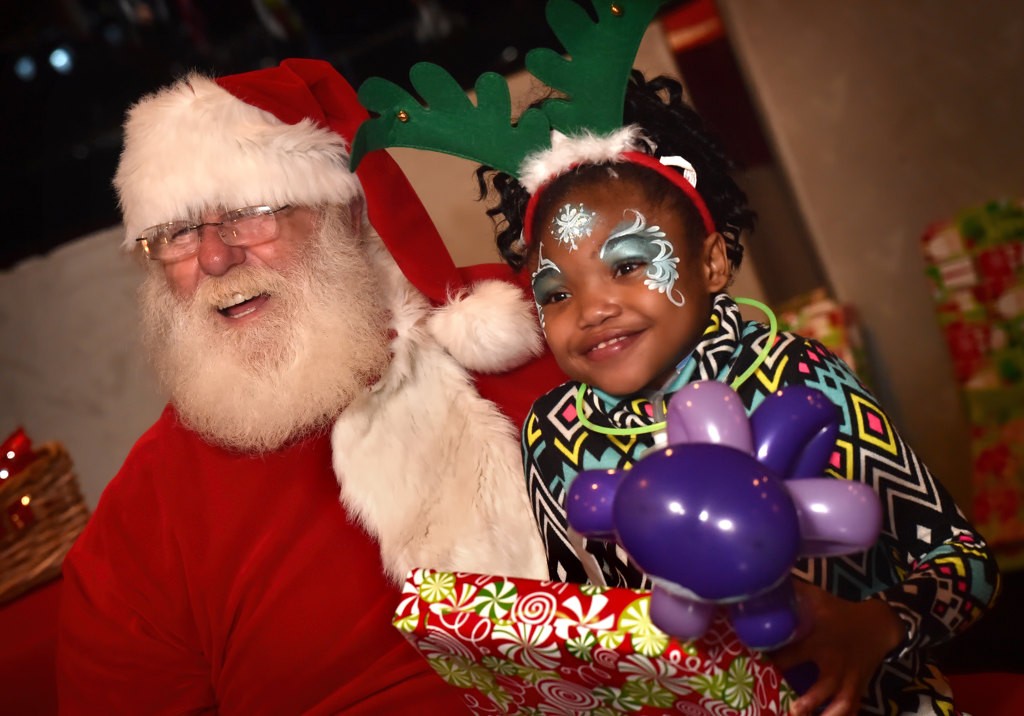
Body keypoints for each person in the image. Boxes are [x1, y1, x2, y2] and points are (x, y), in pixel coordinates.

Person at [474, 70, 1001, 715]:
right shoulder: (552, 433)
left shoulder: (794, 376)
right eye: (557, 292)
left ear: (711, 262)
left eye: (629, 264)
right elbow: (583, 623)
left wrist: (877, 626)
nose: (592, 308)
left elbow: (965, 563)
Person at [56, 58, 563, 714]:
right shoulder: (142, 521)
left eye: (248, 213)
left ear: (345, 214)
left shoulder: (539, 332)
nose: (215, 258)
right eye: (180, 232)